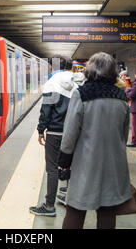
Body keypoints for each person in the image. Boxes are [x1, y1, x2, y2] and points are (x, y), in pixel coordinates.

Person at [58, 52, 131, 229]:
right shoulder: (122, 97)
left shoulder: (81, 94)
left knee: (75, 209)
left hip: (86, 164)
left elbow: (69, 134)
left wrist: (64, 161)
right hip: (114, 164)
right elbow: (124, 135)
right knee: (107, 212)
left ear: (90, 70)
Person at [29, 56, 77, 217]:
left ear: (52, 66)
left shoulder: (52, 83)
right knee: (71, 165)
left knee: (52, 169)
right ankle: (69, 197)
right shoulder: (76, 83)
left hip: (55, 133)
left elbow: (46, 109)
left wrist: (41, 129)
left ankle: (49, 206)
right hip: (73, 132)